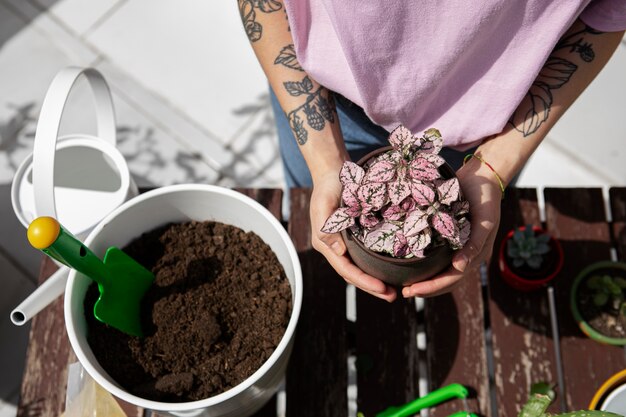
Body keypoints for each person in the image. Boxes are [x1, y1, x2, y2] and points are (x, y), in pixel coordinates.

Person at [238, 0, 626, 302]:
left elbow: (609, 12)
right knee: (322, 235)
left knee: (451, 256)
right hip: (324, 103)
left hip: (489, 132)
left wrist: (494, 167)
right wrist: (325, 164)